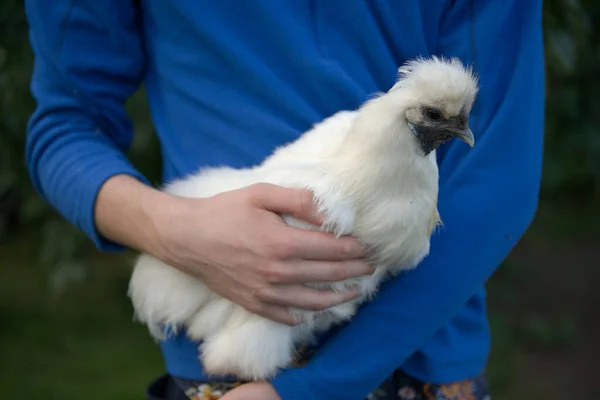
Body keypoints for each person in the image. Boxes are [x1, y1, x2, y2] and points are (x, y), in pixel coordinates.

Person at [23, 1, 545, 399]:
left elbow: (497, 170)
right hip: (235, 346)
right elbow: (67, 122)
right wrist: (176, 230)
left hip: (415, 348)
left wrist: (316, 386)